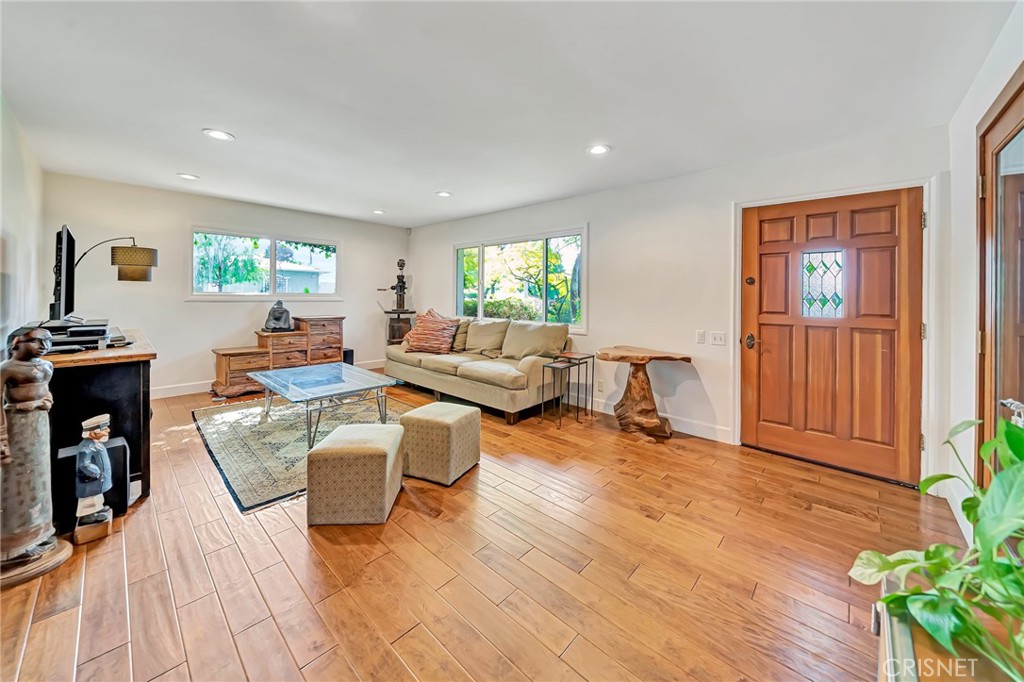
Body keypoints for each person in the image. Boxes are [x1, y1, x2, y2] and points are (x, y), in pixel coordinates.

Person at [0, 328, 57, 563]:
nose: (43, 346)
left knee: (40, 476)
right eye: (37, 341)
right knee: (19, 481)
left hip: (39, 424)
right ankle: (15, 544)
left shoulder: (46, 366)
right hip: (17, 425)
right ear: (17, 343)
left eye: (47, 341)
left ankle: (40, 531)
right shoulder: (7, 369)